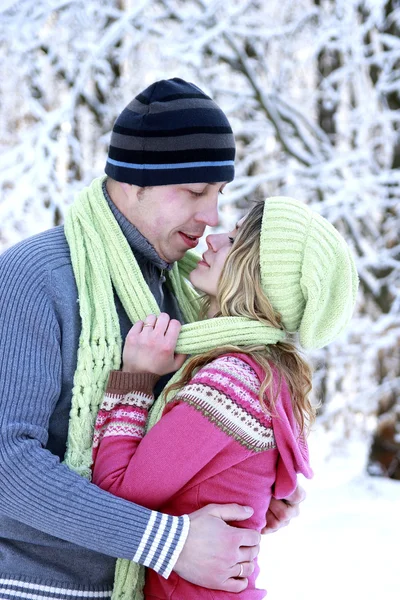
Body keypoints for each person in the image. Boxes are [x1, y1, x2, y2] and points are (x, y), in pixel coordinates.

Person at [0, 78, 300, 600]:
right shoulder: (36, 276)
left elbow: (173, 447)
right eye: (194, 191)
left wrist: (252, 480)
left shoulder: (183, 288)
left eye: (219, 194)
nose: (211, 218)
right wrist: (170, 542)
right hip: (34, 586)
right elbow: (7, 463)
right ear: (135, 180)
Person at [91, 196, 359, 599]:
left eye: (232, 240)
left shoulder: (231, 382)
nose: (212, 239)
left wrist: (135, 378)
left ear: (258, 276)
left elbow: (117, 498)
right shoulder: (265, 373)